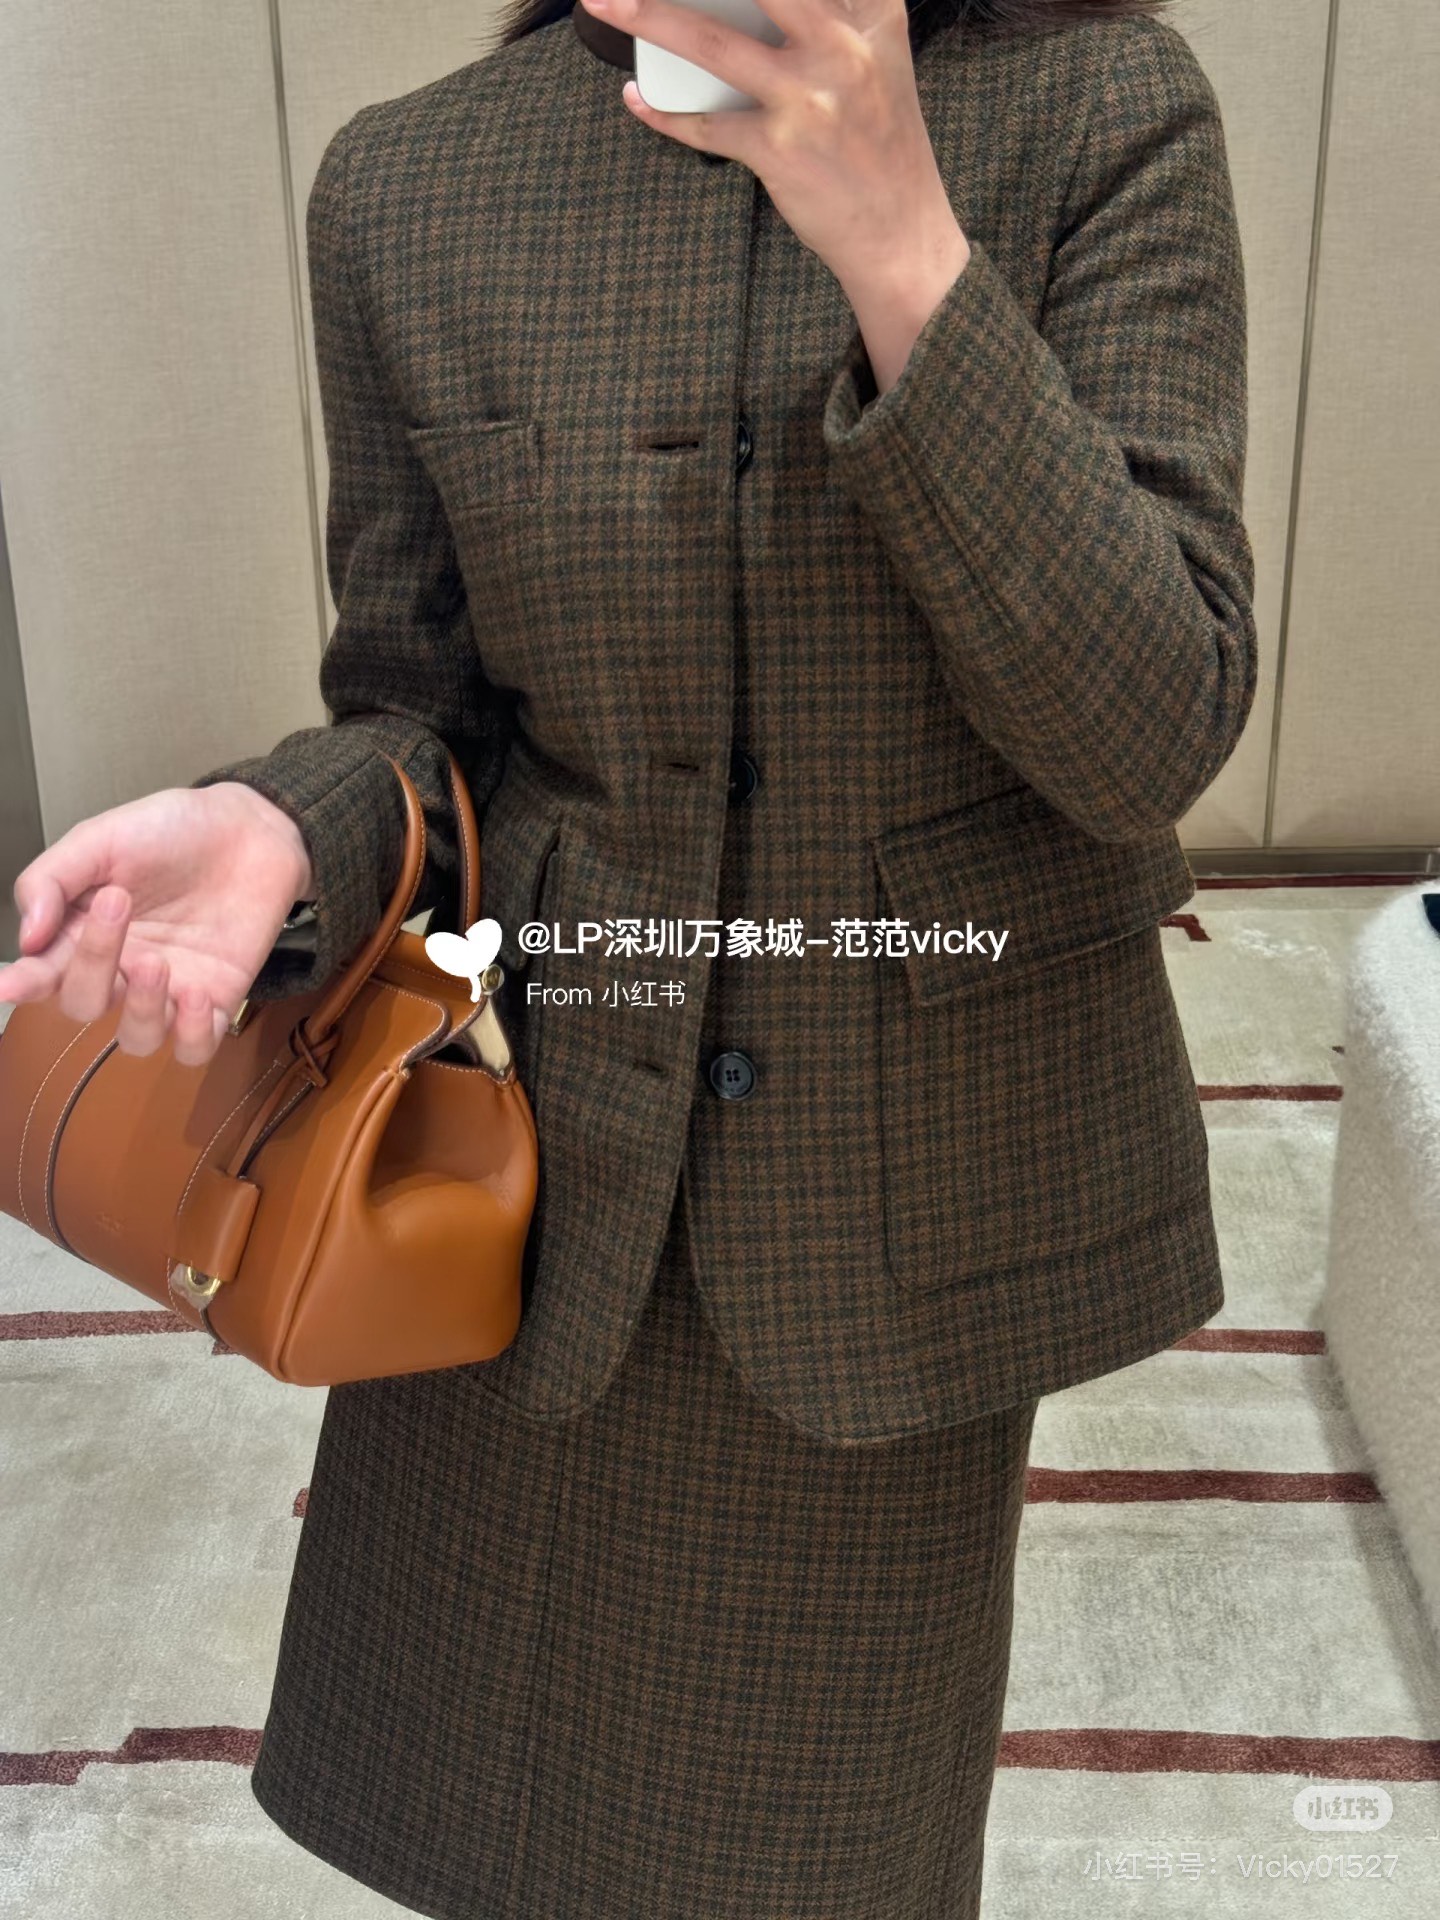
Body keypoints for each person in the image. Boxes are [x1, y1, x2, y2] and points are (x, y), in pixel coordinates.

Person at [0, 0, 1256, 1913]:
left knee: (810, 1861)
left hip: (880, 1222)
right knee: (477, 1822)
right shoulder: (410, 182)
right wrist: (287, 826)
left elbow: (1147, 724)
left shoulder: (1094, 108)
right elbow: (423, 716)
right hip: (524, 1169)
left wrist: (903, 245)